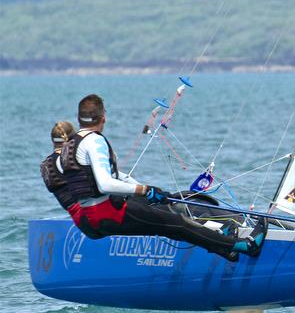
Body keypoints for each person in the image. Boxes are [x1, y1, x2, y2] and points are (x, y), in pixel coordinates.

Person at [59, 93, 265, 262]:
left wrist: (140, 190)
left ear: (79, 118)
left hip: (88, 218)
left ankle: (222, 249)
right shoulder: (94, 141)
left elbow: (86, 180)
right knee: (178, 223)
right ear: (103, 117)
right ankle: (245, 246)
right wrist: (144, 190)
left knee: (169, 226)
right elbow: (105, 183)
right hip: (108, 213)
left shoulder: (69, 146)